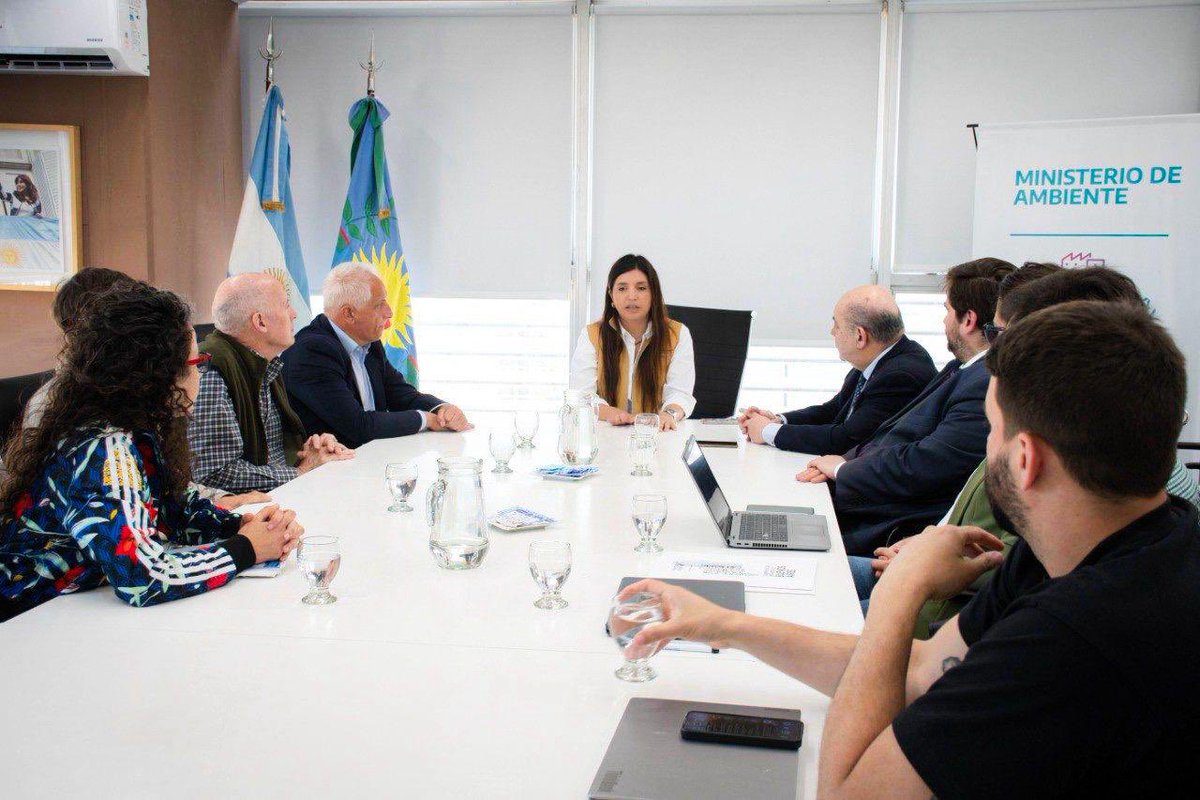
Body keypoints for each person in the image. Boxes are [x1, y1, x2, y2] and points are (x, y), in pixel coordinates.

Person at [623, 300, 1199, 798]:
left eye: (991, 430)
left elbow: (848, 793)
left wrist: (903, 586)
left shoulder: (1074, 635)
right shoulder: (1106, 547)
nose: (984, 449)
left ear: (1026, 460)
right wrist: (724, 625)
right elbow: (921, 669)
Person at [0, 283, 304, 622]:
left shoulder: (136, 430)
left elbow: (173, 510)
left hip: (78, 612)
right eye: (195, 362)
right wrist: (246, 548)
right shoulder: (102, 447)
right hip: (31, 623)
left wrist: (238, 527)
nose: (199, 375)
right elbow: (143, 578)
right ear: (157, 375)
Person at [846, 261, 1062, 619]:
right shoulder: (965, 375)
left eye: (1001, 334)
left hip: (934, 592)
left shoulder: (992, 395)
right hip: (923, 562)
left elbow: (926, 464)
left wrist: (926, 562)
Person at [799, 257, 1015, 554]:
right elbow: (891, 434)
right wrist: (842, 465)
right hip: (869, 507)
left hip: (886, 532)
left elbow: (924, 463)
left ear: (968, 320)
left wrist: (843, 470)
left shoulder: (983, 382)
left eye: (947, 310)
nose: (943, 321)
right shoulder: (960, 368)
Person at [20, 268, 265, 510]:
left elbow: (163, 484)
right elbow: (119, 522)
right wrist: (236, 541)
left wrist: (216, 505)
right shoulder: (60, 410)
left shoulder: (134, 395)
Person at [189, 274, 354, 494]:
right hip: (249, 514)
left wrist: (314, 450)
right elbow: (215, 473)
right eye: (286, 306)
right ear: (260, 321)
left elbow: (274, 452)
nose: (294, 314)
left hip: (282, 496)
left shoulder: (267, 363)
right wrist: (300, 473)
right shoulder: (212, 373)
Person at [284, 262, 470, 449]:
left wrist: (441, 409)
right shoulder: (312, 351)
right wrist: (426, 419)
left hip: (370, 458)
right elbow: (358, 425)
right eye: (380, 305)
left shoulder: (369, 343)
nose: (389, 312)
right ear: (349, 314)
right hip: (328, 470)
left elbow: (402, 395)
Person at [739, 285, 935, 454]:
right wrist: (778, 420)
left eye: (837, 325)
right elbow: (833, 410)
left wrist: (767, 432)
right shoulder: (878, 358)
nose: (832, 332)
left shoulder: (901, 376)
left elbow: (846, 439)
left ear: (860, 336)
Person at [569, 254, 695, 431]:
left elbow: (680, 393)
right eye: (622, 289)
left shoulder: (677, 334)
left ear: (654, 294)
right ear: (611, 295)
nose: (632, 296)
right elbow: (582, 395)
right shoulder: (592, 335)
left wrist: (669, 414)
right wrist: (610, 412)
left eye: (641, 288)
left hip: (659, 433)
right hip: (606, 433)